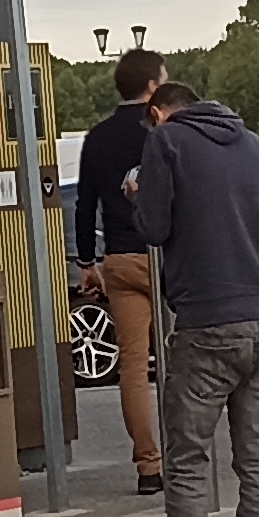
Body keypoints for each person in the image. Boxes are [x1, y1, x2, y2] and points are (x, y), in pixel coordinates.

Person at [129, 62, 259, 517]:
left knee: (190, 463)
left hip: (205, 326)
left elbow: (153, 227)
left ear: (158, 113)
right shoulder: (258, 147)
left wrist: (138, 191)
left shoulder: (166, 142)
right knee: (257, 464)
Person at [68, 46, 167, 494]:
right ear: (152, 86)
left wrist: (87, 263)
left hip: (121, 260)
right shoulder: (164, 131)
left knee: (133, 366)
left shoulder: (98, 137)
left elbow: (84, 205)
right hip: (166, 257)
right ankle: (186, 457)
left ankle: (148, 467)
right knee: (183, 359)